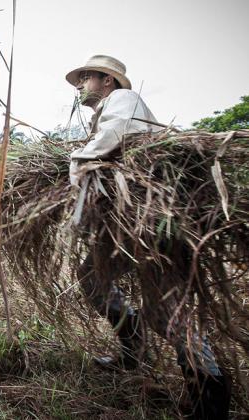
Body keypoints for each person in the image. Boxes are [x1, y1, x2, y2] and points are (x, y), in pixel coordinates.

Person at [66, 55, 231, 419]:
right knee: (92, 278)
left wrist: (78, 158)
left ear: (108, 81)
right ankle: (132, 342)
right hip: (132, 221)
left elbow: (114, 135)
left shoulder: (123, 100)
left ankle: (211, 392)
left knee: (166, 311)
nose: (79, 85)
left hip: (154, 221)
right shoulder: (107, 108)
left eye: (86, 77)